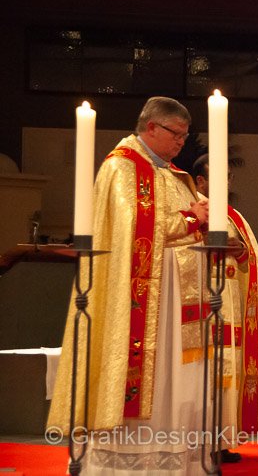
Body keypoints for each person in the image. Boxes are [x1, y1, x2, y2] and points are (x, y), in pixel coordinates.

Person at [48, 97, 211, 473]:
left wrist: (200, 219)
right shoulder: (122, 166)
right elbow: (137, 228)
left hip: (172, 300)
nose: (180, 143)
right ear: (151, 127)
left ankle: (169, 463)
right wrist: (192, 218)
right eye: (175, 134)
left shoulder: (170, 172)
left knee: (169, 381)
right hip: (140, 300)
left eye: (184, 137)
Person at [192, 154, 258, 462]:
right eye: (219, 177)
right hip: (203, 307)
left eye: (229, 177)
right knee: (205, 374)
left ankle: (221, 440)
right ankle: (199, 441)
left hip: (231, 306)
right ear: (201, 181)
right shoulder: (191, 210)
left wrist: (241, 250)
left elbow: (249, 261)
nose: (227, 183)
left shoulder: (234, 216)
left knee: (228, 374)